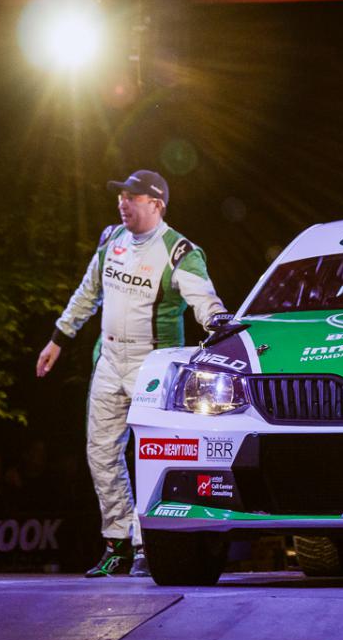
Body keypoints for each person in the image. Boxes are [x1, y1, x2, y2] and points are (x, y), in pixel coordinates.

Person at [36, 170, 227, 578]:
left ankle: (148, 544)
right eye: (120, 196)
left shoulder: (180, 251)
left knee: (151, 454)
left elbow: (204, 299)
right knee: (101, 452)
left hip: (153, 363)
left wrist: (218, 322)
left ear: (156, 204)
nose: (122, 203)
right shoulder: (111, 240)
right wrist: (58, 338)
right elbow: (88, 293)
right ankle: (118, 542)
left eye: (132, 197)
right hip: (109, 359)